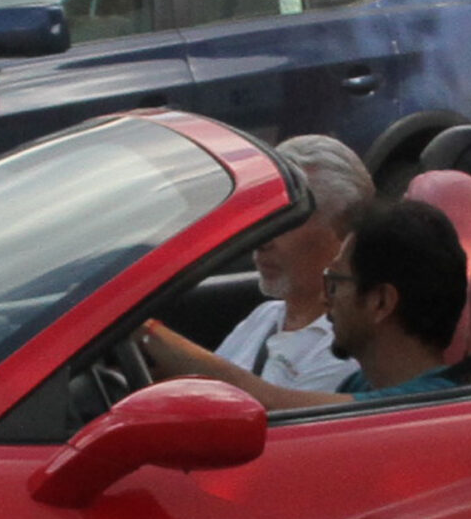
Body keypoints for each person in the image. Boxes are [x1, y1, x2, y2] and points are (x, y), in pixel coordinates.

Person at [147, 196, 469, 412]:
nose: (323, 297)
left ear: (380, 301)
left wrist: (145, 332)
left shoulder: (421, 405)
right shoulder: (363, 384)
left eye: (335, 283)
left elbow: (270, 405)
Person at [139, 133, 372, 393]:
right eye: (266, 217)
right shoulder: (264, 317)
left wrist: (145, 331)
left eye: (287, 220)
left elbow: (274, 415)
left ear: (343, 231)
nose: (263, 239)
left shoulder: (348, 346)